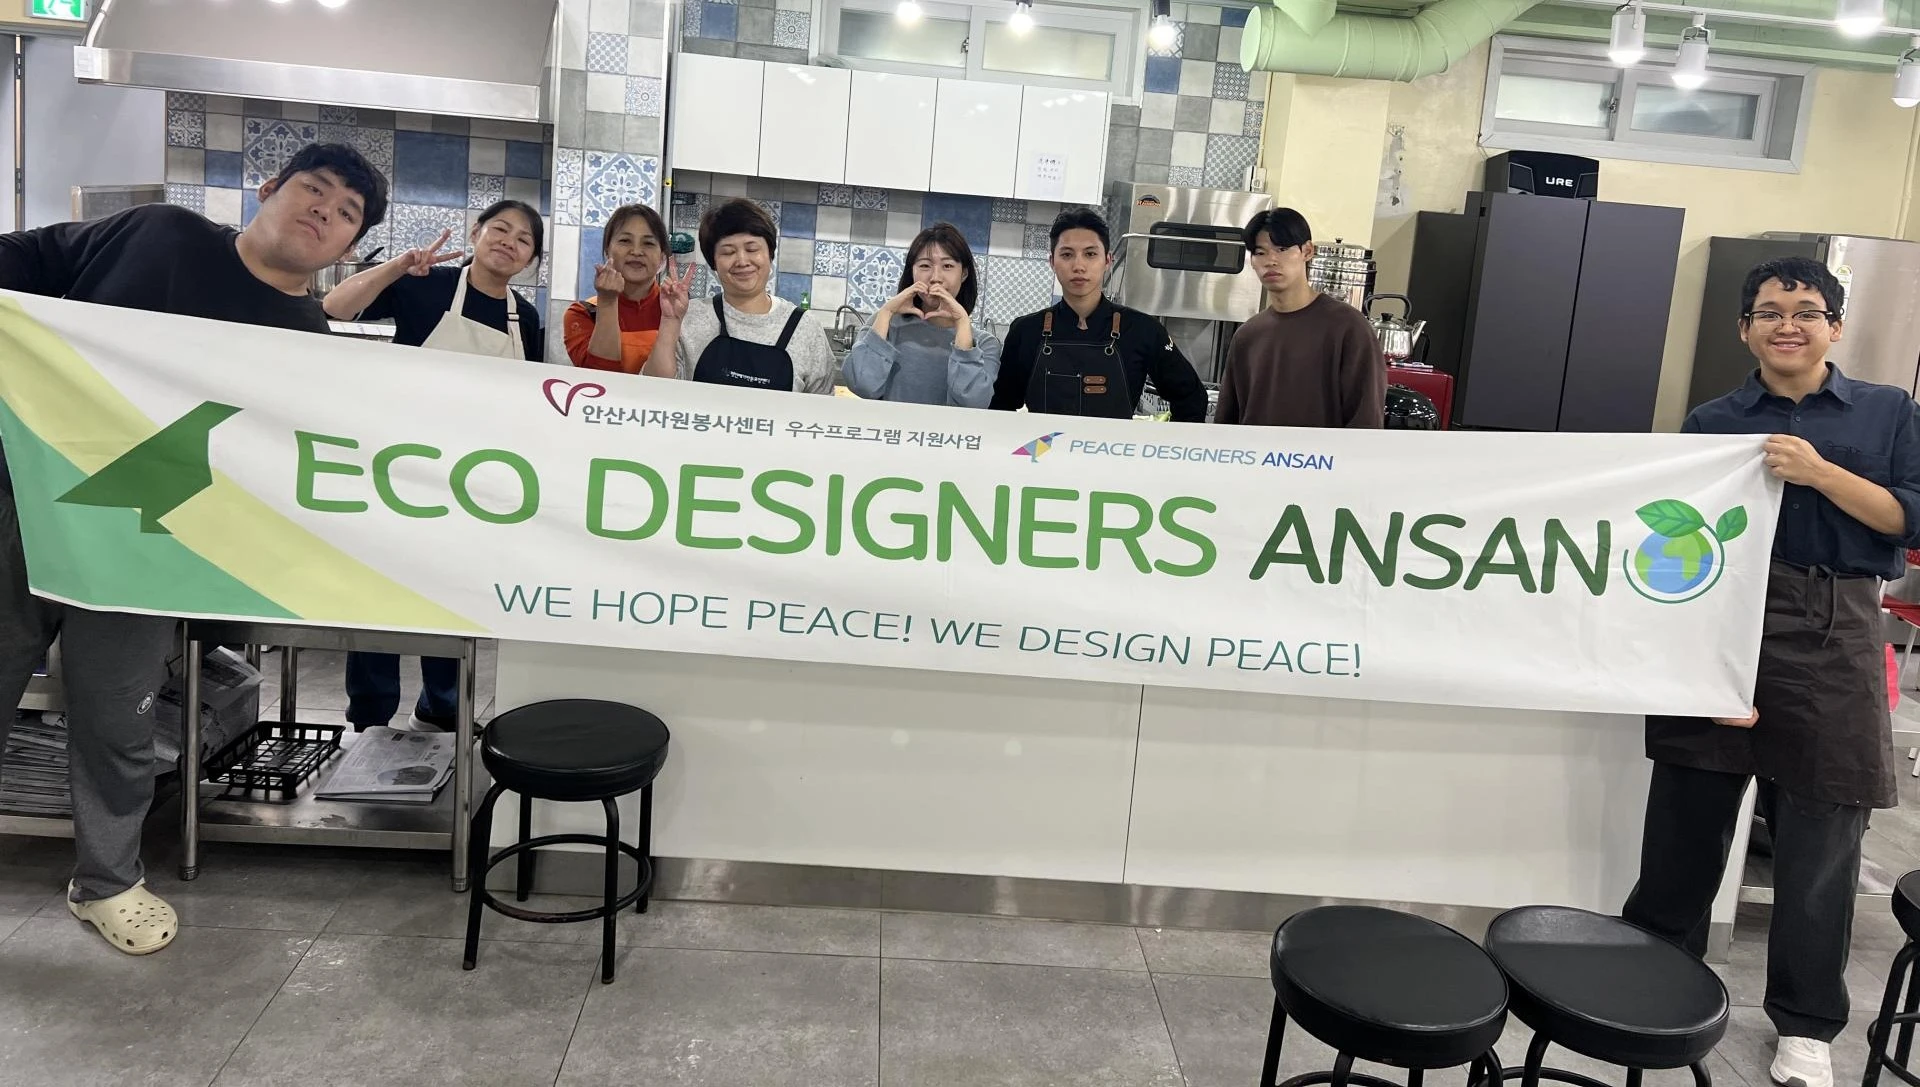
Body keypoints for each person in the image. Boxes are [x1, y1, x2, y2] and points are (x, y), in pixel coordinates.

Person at [0, 143, 388, 955]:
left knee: (119, 718)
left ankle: (106, 881)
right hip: (26, 501)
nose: (324, 210)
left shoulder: (306, 339)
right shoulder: (159, 235)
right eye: (314, 189)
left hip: (145, 546)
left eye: (346, 212)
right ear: (269, 187)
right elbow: (27, 261)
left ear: (349, 245)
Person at [1621, 256, 1920, 1087]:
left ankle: (1806, 1024)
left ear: (1835, 326)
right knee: (1685, 821)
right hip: (1723, 622)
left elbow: (1911, 517)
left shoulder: (1889, 411)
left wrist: (1819, 472)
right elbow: (1676, 536)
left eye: (1806, 310)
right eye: (1770, 311)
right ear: (1745, 329)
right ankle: (1658, 987)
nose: (1788, 324)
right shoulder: (1713, 420)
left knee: (1821, 837)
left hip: (1837, 623)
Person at [321, 199, 545, 733]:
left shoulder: (525, 317)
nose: (509, 242)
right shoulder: (426, 284)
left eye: (524, 239)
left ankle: (441, 704)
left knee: (450, 591)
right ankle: (371, 712)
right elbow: (335, 307)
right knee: (381, 588)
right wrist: (397, 266)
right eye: (500, 229)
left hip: (472, 478)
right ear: (475, 233)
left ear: (531, 259)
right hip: (401, 464)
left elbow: (526, 400)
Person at [990, 207, 1207, 421]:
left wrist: (1160, 444)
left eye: (1090, 254)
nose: (1079, 266)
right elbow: (1001, 407)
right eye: (1067, 254)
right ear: (1052, 262)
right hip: (1043, 445)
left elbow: (1192, 399)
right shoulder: (1025, 331)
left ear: (1107, 261)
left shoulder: (1143, 330)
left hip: (1114, 445)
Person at [1215, 207, 1384, 428]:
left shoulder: (1349, 327)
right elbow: (1226, 422)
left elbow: (1366, 421)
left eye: (1282, 249)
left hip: (1323, 452)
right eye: (1260, 252)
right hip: (1255, 450)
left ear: (1307, 251)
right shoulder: (1248, 335)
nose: (1271, 260)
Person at [648, 198, 836, 394]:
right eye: (728, 252)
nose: (742, 261)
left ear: (770, 253)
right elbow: (655, 393)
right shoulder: (689, 317)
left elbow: (822, 407)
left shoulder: (805, 328)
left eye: (752, 249)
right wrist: (670, 322)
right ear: (714, 263)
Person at [843, 222, 1000, 407]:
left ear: (964, 274)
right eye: (925, 266)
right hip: (889, 426)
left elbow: (973, 403)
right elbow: (862, 386)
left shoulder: (984, 344)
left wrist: (962, 322)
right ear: (912, 272)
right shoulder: (885, 323)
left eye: (947, 266)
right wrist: (886, 312)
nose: (935, 278)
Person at [565, 202, 671, 374]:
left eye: (648, 243)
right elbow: (598, 378)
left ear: (662, 257)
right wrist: (607, 302)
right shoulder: (583, 313)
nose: (636, 251)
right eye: (625, 241)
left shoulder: (678, 314)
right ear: (607, 251)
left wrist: (673, 319)